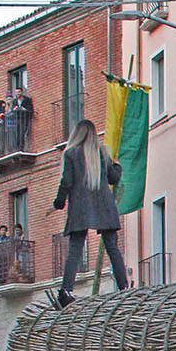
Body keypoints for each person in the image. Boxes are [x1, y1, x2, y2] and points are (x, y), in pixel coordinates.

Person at [53, 119, 126, 305]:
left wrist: (59, 202)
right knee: (112, 248)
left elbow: (66, 181)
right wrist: (116, 165)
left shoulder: (70, 154)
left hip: (80, 206)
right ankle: (125, 288)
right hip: (104, 205)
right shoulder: (102, 153)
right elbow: (114, 177)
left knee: (75, 249)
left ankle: (66, 291)